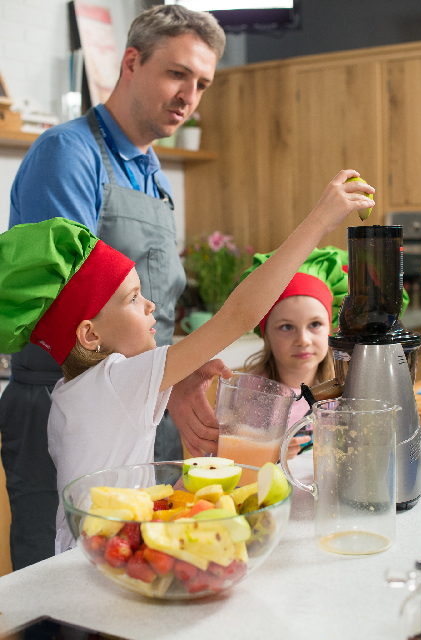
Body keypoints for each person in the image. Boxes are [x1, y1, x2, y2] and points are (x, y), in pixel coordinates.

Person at [0, 170, 375, 552]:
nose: (151, 306)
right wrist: (319, 222)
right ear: (90, 335)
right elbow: (237, 316)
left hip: (92, 554)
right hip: (109, 558)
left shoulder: (71, 391)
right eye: (132, 298)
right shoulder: (117, 381)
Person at [0, 5, 227, 569]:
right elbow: (72, 313)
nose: (189, 95)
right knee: (58, 586)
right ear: (131, 62)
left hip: (137, 405)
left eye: (201, 83)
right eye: (177, 73)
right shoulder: (68, 154)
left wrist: (170, 378)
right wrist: (161, 376)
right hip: (66, 408)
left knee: (136, 577)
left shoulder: (149, 168)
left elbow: (147, 304)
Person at [241, 246, 349, 457]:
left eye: (315, 324)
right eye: (287, 327)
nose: (303, 340)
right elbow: (224, 461)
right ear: (266, 334)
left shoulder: (346, 387)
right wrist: (265, 455)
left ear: (332, 327)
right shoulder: (249, 393)